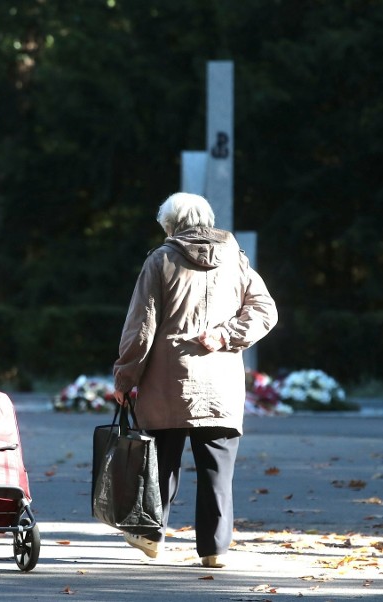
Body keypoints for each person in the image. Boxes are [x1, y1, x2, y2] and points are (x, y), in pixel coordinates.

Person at [112, 192, 277, 568]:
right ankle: (214, 550)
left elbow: (141, 327)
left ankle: (151, 536)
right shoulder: (235, 259)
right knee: (217, 469)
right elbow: (265, 309)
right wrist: (226, 335)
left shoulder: (161, 260)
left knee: (160, 464)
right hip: (221, 383)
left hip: (167, 383)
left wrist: (124, 377)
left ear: (170, 225)